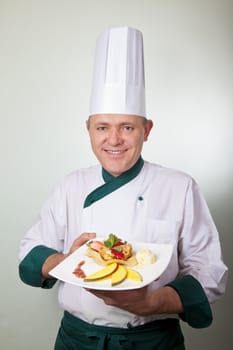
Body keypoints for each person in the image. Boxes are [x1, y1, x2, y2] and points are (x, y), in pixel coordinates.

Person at [18, 27, 228, 350]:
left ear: (147, 130)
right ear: (88, 129)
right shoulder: (69, 186)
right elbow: (30, 254)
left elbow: (210, 272)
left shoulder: (180, 187)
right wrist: (65, 261)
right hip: (76, 341)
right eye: (102, 127)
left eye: (127, 127)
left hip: (152, 341)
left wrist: (153, 302)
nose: (113, 140)